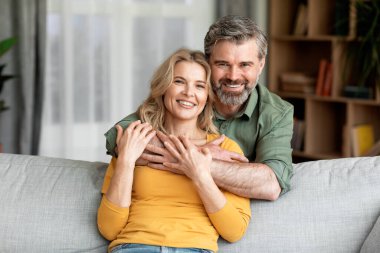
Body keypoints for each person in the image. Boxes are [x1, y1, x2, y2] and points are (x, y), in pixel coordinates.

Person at [104, 15, 294, 200]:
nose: (233, 76)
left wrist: (197, 160)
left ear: (260, 65)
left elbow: (271, 184)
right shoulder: (187, 98)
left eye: (245, 65)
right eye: (223, 64)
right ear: (208, 63)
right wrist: (199, 149)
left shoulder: (276, 113)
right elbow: (118, 137)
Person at [97, 48, 251, 253]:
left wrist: (200, 174)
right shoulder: (135, 139)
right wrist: (126, 161)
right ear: (164, 87)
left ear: (207, 96)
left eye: (199, 86)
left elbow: (234, 231)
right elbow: (109, 228)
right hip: (135, 246)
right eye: (179, 81)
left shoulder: (226, 149)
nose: (189, 93)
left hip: (196, 249)